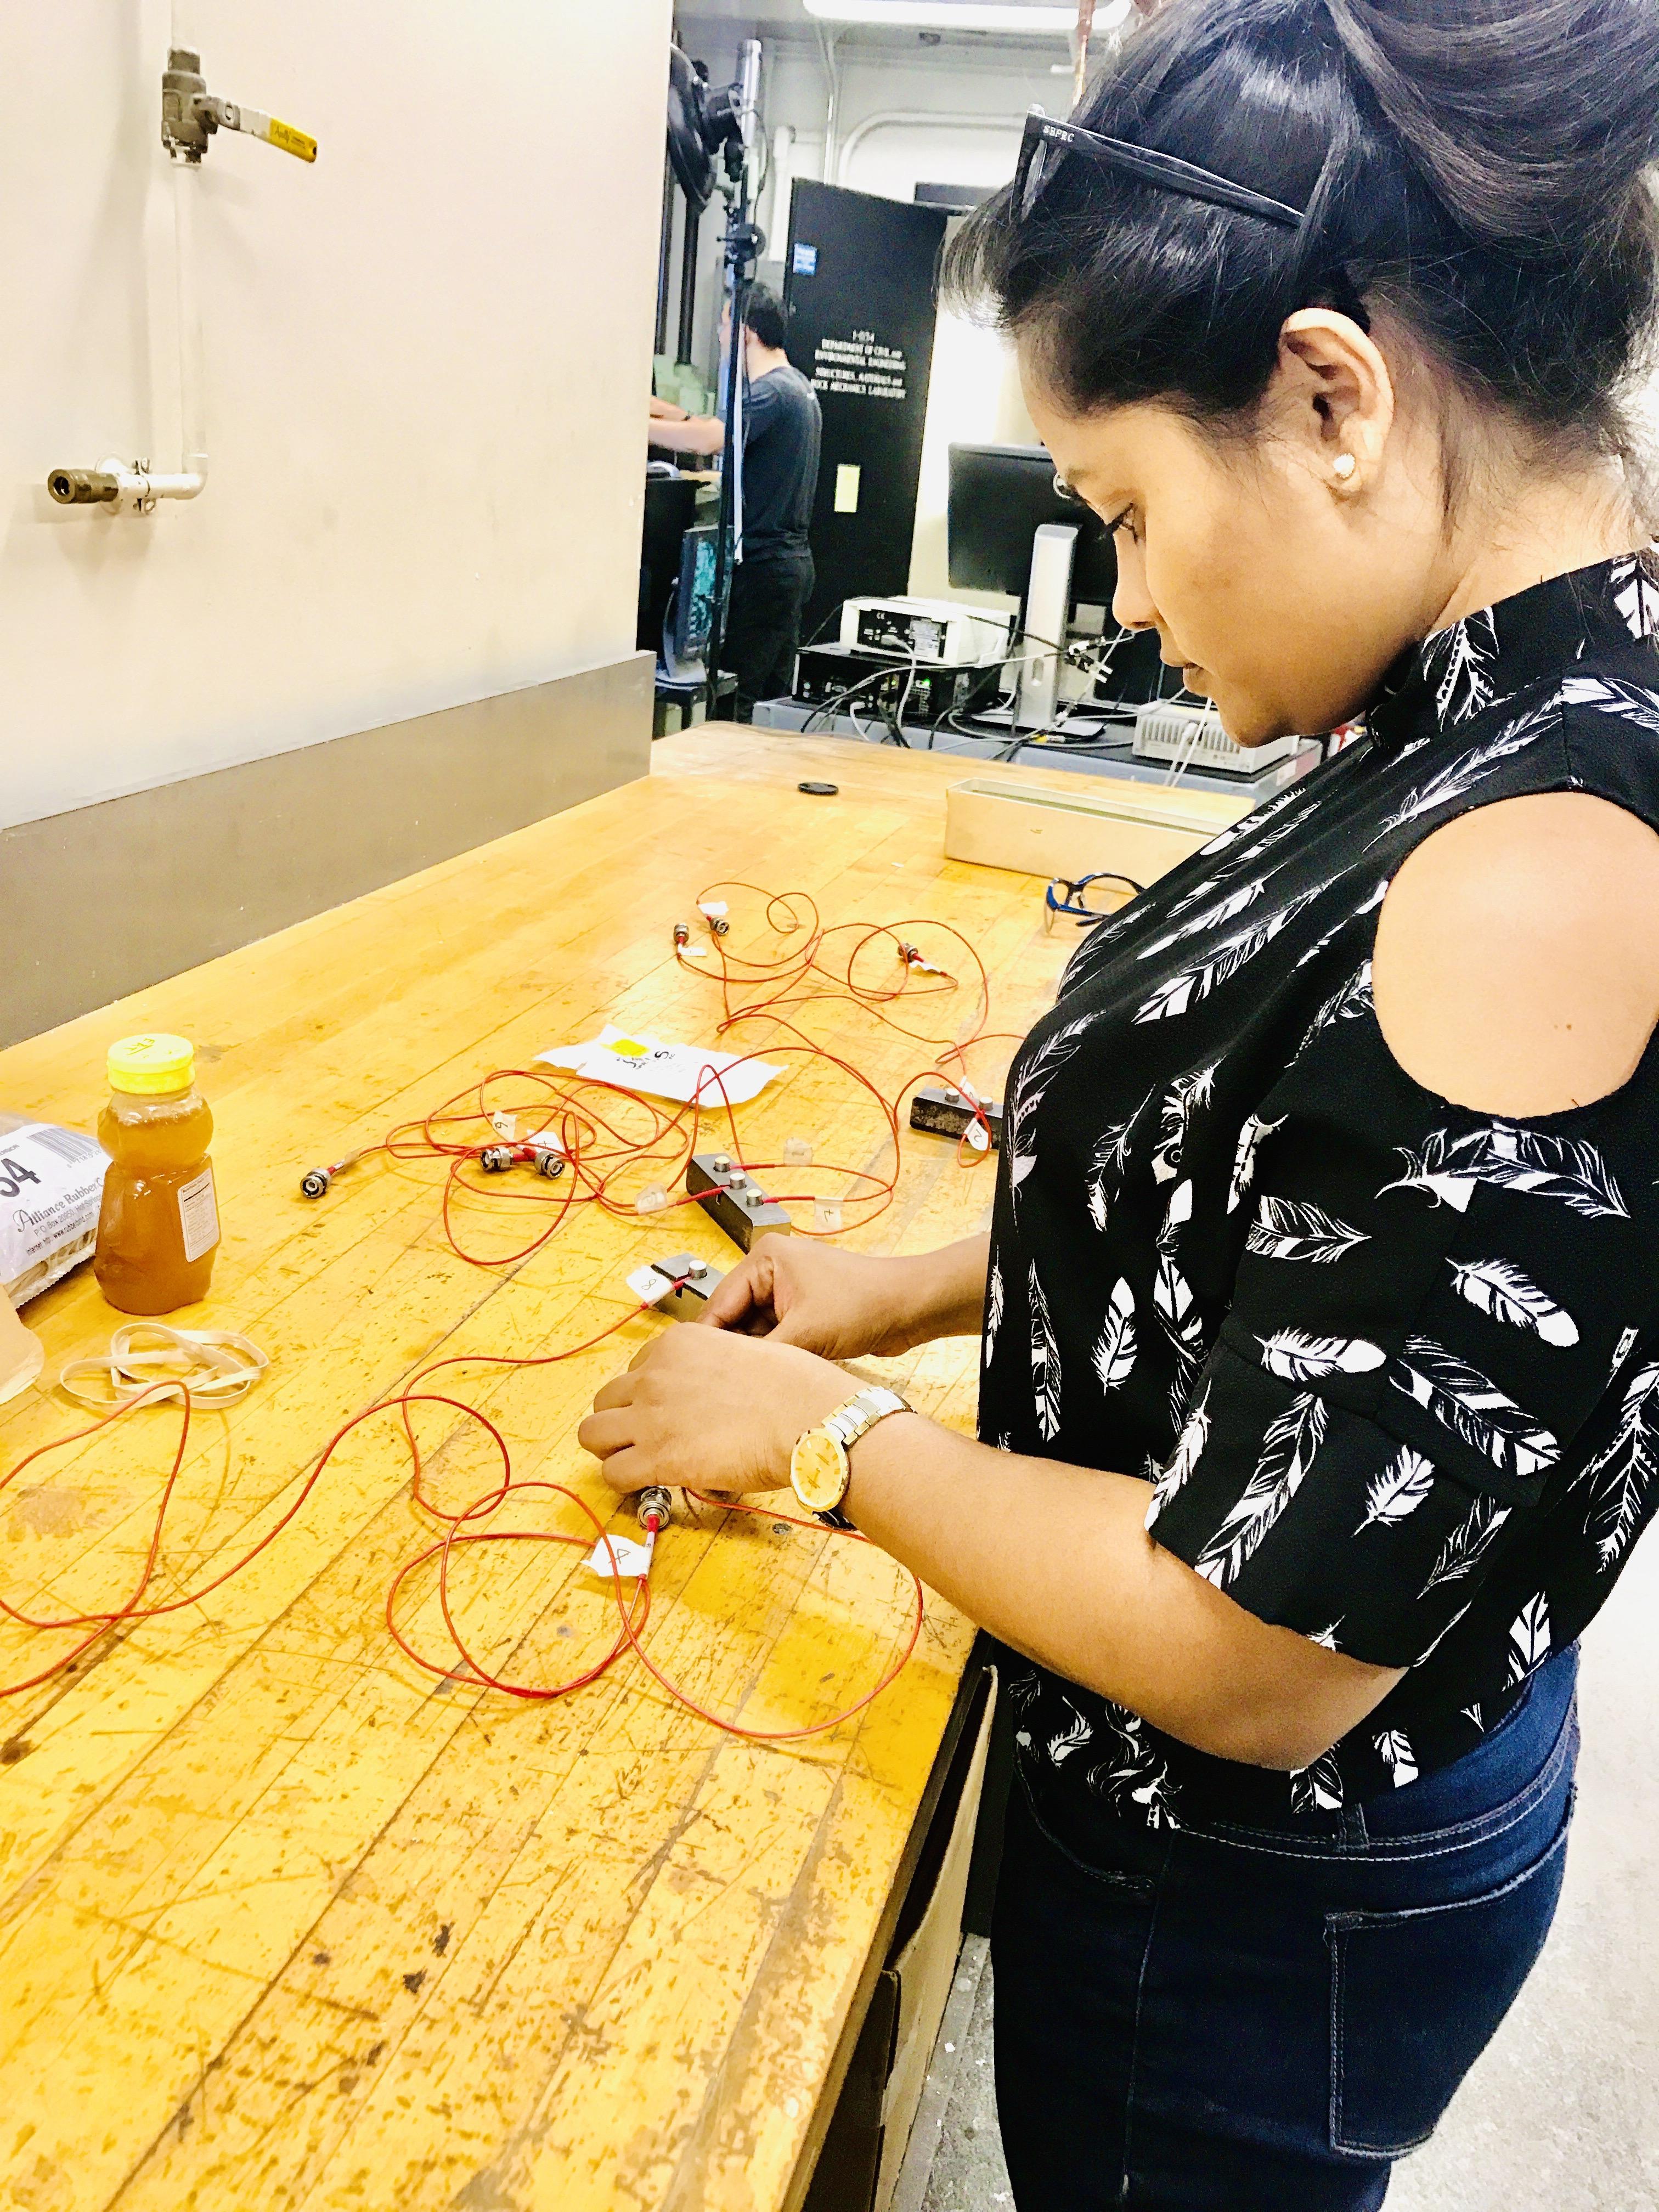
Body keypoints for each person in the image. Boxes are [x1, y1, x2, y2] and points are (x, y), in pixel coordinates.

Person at [588, 0, 1659, 2202]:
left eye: (1130, 511)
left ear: (1334, 396)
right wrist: (900, 1291)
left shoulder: (1552, 860)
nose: (1140, 599)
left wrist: (824, 1441)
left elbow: (1256, 1647)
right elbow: (1303, 1207)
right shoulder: (1461, 708)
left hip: (1254, 1888)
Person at [646, 285, 822, 719]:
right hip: (787, 568)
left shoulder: (773, 392)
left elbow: (710, 439)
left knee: (737, 703)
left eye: (724, 326)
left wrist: (632, 422)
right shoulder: (796, 388)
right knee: (770, 703)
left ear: (746, 332)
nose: (721, 338)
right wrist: (664, 412)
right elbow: (712, 425)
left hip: (765, 570)